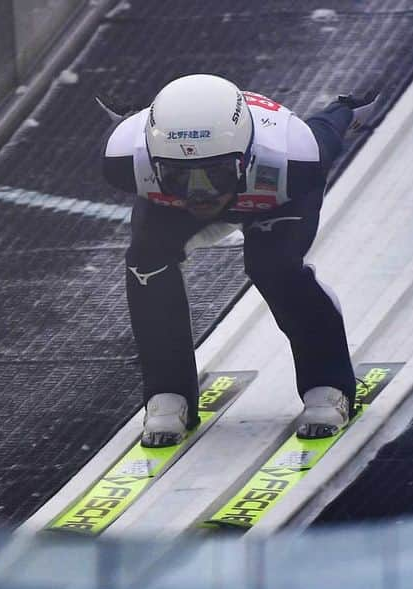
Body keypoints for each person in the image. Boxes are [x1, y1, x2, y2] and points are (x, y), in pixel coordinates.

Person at [100, 74, 377, 447]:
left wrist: (344, 108)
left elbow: (326, 129)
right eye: (180, 175)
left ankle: (327, 382)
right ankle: (167, 392)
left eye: (215, 173)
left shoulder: (294, 157)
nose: (201, 194)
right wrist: (217, 178)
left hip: (274, 200)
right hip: (243, 194)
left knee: (274, 267)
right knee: (146, 264)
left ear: (248, 157)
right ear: (151, 160)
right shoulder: (123, 157)